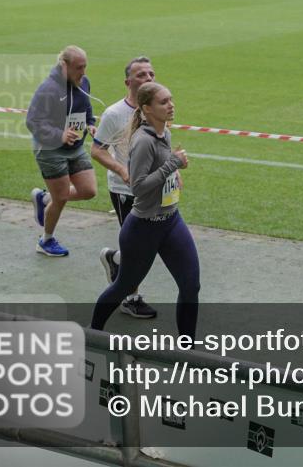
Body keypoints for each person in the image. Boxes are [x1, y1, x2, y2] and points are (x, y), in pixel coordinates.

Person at [91, 82, 200, 339]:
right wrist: (172, 163)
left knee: (190, 285)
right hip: (143, 228)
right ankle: (93, 334)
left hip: (171, 221)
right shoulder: (142, 142)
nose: (171, 105)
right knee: (123, 286)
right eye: (164, 102)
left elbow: (162, 174)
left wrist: (173, 171)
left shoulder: (165, 134)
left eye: (171, 99)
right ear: (147, 109)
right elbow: (138, 188)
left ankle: (188, 350)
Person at [90, 56, 158, 319]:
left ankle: (115, 259)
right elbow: (97, 150)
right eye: (142, 75)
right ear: (128, 81)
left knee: (149, 244)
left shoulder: (155, 107)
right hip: (125, 190)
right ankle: (131, 298)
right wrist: (121, 169)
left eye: (151, 74)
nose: (148, 79)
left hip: (153, 188)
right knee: (139, 246)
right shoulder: (114, 114)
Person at [26, 45, 99, 257]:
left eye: (85, 66)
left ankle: (44, 199)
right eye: (78, 67)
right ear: (64, 66)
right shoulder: (48, 89)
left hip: (75, 148)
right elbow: (33, 121)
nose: (83, 72)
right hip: (50, 149)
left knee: (89, 191)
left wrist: (90, 124)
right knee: (62, 198)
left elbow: (86, 108)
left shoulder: (83, 82)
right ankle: (46, 240)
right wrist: (59, 135)